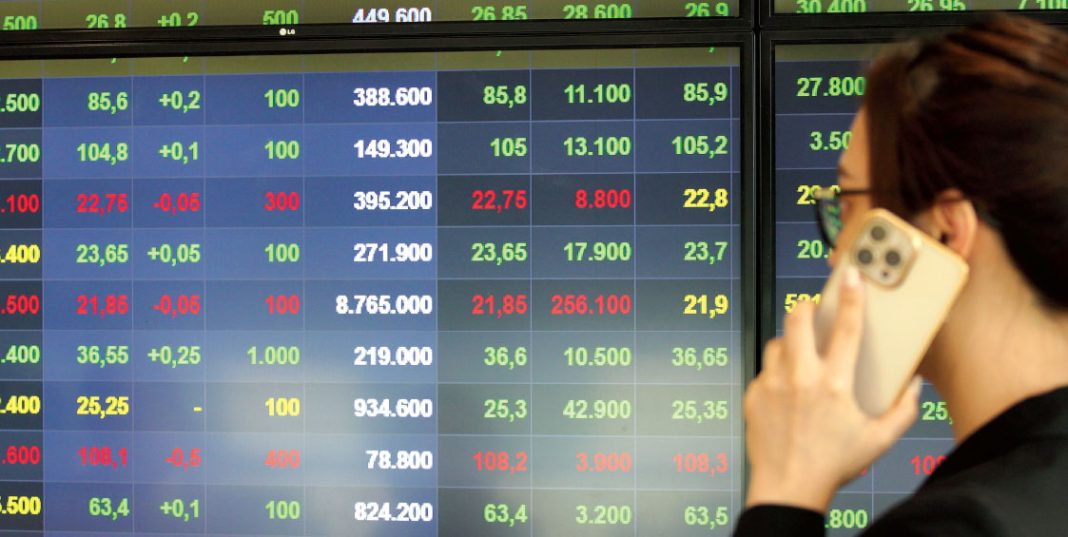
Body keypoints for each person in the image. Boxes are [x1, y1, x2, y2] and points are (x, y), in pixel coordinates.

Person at [735, 15, 1068, 536]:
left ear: (946, 232)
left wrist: (785, 490)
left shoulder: (959, 525)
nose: (836, 255)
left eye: (849, 206)